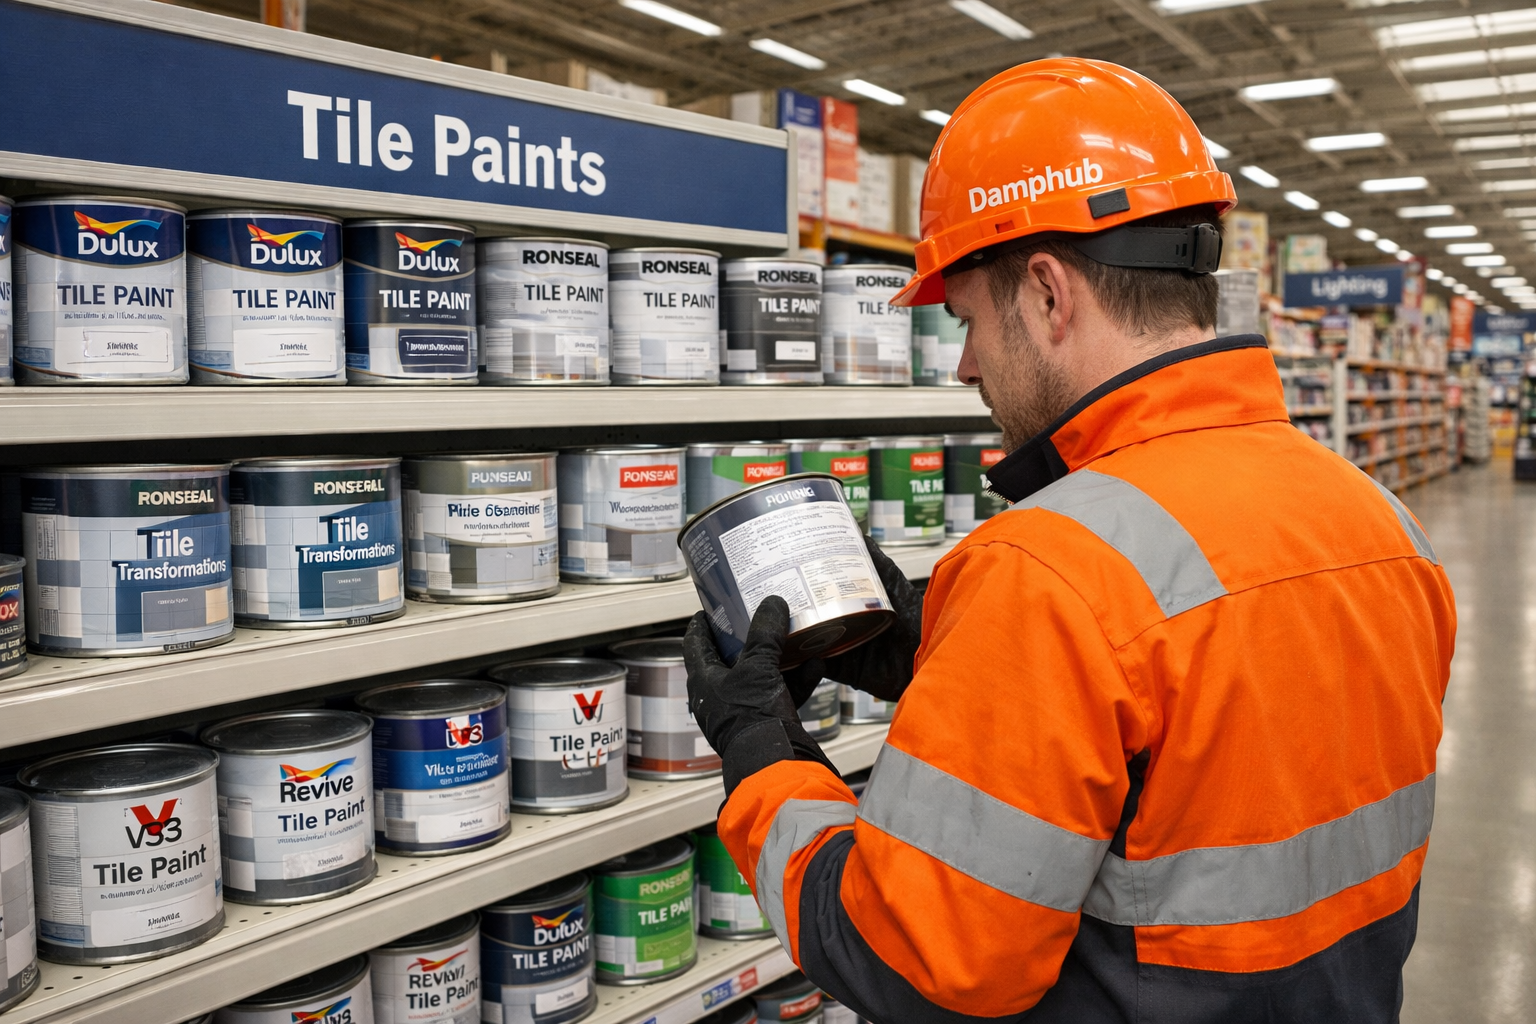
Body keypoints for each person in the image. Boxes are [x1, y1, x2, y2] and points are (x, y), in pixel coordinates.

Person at [683, 57, 1455, 1023]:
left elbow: (920, 960)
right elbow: (1197, 750)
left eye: (966, 318)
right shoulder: (1381, 521)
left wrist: (762, 755)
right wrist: (941, 653)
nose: (963, 364)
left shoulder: (1048, 570)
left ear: (1047, 294)